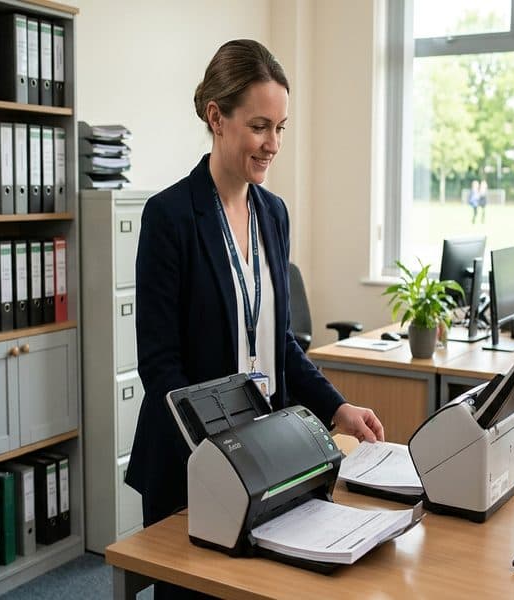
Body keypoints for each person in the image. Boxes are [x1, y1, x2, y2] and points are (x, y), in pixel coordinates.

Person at [127, 40, 385, 596]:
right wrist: (221, 459)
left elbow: (278, 343)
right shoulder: (169, 216)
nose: (273, 144)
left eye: (281, 128)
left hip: (268, 461)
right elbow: (160, 368)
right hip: (194, 467)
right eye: (260, 126)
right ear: (216, 118)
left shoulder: (274, 213)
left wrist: (337, 408)